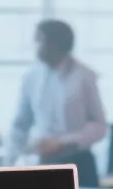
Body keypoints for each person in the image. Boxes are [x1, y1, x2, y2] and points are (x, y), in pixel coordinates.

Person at [9, 19, 107, 167]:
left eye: (39, 41)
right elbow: (20, 125)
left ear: (55, 44)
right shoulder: (31, 77)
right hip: (43, 161)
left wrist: (61, 142)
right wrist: (10, 162)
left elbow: (100, 125)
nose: (35, 46)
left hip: (78, 160)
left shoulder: (84, 76)